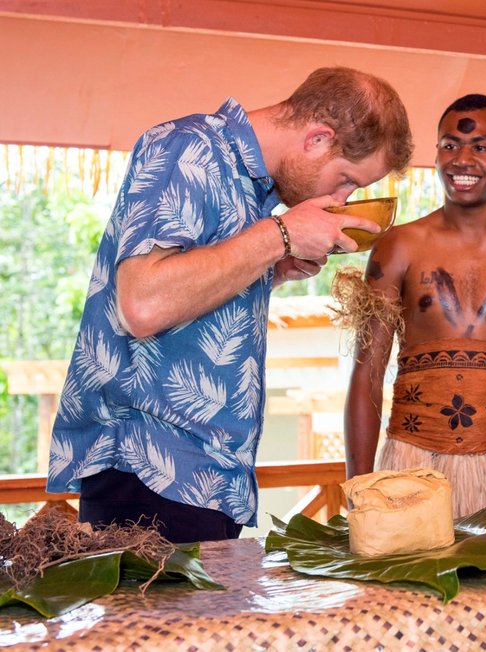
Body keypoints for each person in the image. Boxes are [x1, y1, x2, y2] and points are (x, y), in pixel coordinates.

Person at [46, 67, 414, 543]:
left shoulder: (251, 188)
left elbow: (187, 303)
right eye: (346, 180)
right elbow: (143, 303)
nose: (342, 199)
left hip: (206, 480)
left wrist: (268, 270)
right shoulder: (189, 148)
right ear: (318, 138)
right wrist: (280, 235)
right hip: (152, 470)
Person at [342, 94, 486, 518]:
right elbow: (367, 373)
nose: (461, 159)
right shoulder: (399, 246)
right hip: (412, 466)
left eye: (480, 147)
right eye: (449, 145)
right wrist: (358, 486)